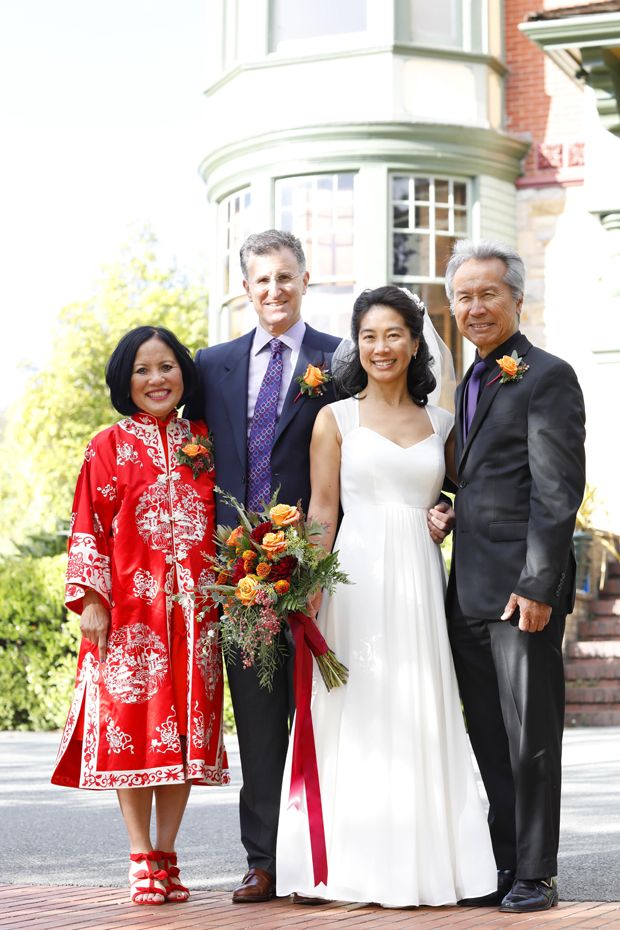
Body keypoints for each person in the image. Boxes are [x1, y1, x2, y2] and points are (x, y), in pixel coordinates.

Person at [275, 286, 497, 907]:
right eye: (369, 336)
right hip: (355, 577)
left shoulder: (443, 424)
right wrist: (308, 589)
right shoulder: (335, 419)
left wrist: (447, 510)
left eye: (393, 334)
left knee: (418, 702)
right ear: (357, 343)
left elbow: (464, 492)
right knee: (353, 707)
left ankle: (426, 863)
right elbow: (322, 510)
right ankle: (338, 864)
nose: (381, 348)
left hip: (419, 579)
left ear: (414, 341)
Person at [52, 326, 229, 906]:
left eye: (167, 367)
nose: (157, 379)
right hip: (129, 617)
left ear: (184, 373)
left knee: (180, 738)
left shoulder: (204, 441)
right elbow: (88, 526)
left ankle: (169, 854)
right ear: (124, 381)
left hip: (196, 617)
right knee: (136, 734)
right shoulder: (106, 445)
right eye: (142, 370)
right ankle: (139, 856)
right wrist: (93, 601)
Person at [444, 239, 586, 914]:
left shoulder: (546, 376)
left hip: (520, 592)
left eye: (488, 293)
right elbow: (477, 479)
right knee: (489, 735)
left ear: (516, 299)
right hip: (465, 590)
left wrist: (538, 583)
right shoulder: (467, 382)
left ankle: (537, 873)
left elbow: (557, 490)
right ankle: (503, 866)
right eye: (464, 295)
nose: (476, 306)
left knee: (530, 734)